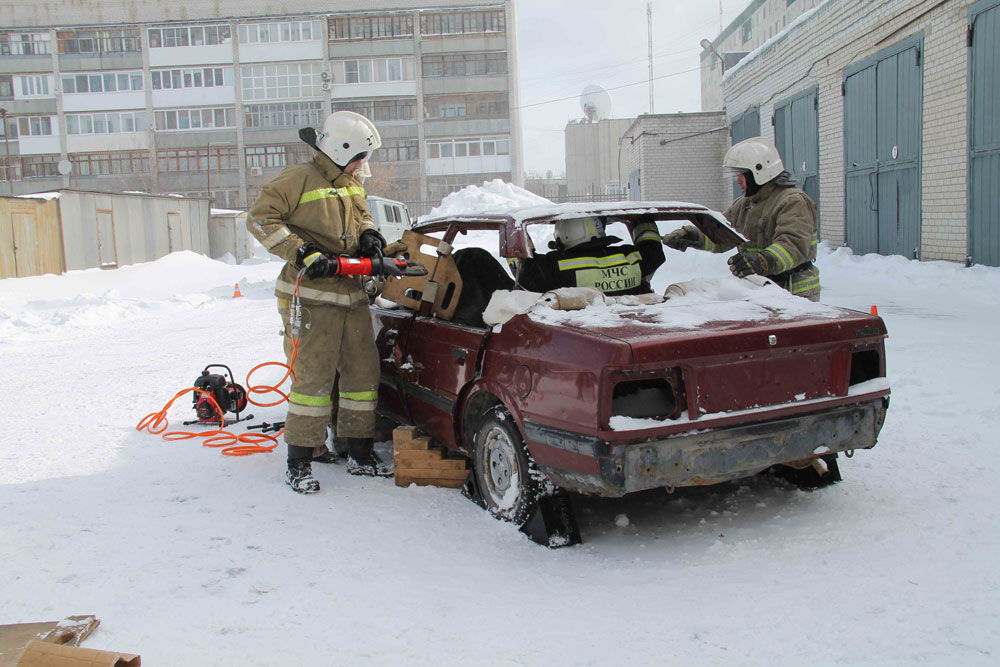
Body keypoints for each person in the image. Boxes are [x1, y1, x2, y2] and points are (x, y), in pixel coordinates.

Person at [247, 110, 396, 494]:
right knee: (313, 379)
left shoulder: (351, 181)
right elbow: (260, 219)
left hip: (352, 294)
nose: (364, 165)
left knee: (362, 377)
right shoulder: (297, 179)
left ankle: (357, 451)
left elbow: (361, 216)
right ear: (340, 149)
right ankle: (301, 459)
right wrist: (303, 252)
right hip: (311, 296)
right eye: (360, 156)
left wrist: (370, 238)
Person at [662, 136, 820, 301]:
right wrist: (692, 237)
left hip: (794, 293)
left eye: (742, 175)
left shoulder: (792, 201)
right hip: (760, 289)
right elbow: (723, 236)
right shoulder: (743, 205)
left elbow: (793, 246)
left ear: (759, 172)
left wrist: (763, 261)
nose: (738, 181)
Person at [516, 216, 665, 296]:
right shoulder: (630, 257)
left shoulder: (556, 266)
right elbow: (653, 250)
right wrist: (642, 219)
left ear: (563, 236)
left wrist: (516, 232)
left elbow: (524, 270)